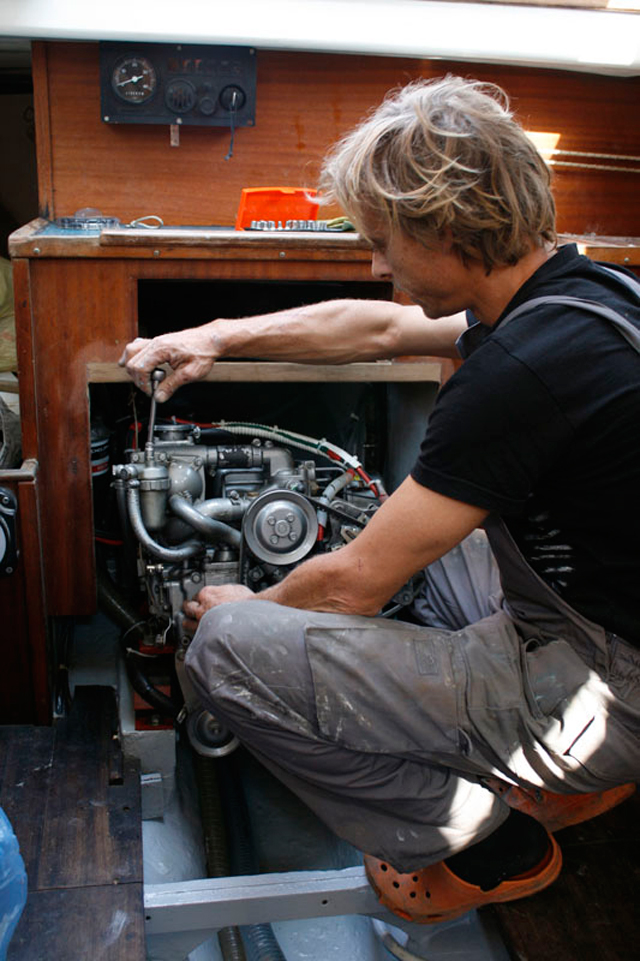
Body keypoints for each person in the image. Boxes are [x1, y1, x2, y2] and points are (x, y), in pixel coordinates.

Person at [120, 76, 639, 923]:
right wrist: (216, 335)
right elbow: (380, 328)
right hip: (607, 623)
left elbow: (350, 585)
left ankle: (484, 839)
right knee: (429, 532)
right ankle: (549, 768)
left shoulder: (517, 372)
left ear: (444, 225)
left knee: (226, 650)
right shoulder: (586, 297)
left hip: (612, 685)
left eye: (385, 240)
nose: (377, 265)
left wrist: (248, 606)